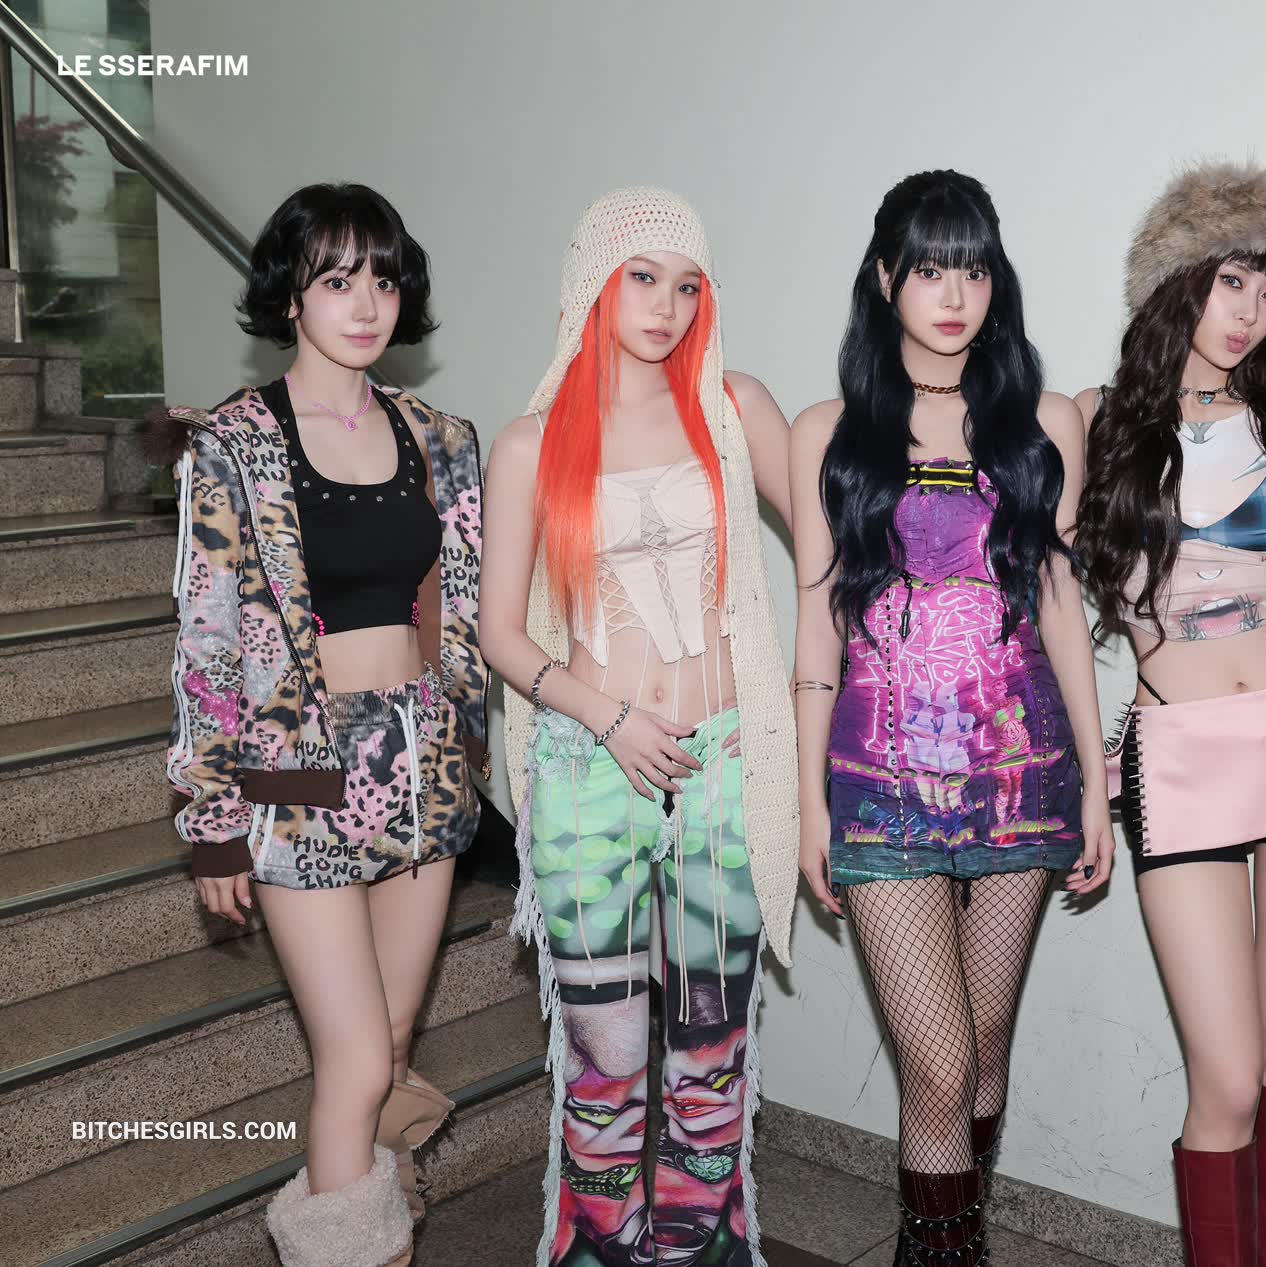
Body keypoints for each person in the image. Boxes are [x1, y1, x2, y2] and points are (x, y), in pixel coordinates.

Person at [153, 182, 486, 1267]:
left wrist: (479, 743)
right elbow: (208, 641)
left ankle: (372, 1211)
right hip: (296, 778)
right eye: (337, 279)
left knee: (389, 1040)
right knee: (354, 1059)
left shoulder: (440, 438)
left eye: (383, 279)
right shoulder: (233, 443)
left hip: (422, 765)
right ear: (290, 293)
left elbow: (463, 617)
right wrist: (212, 818)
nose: (366, 302)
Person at [1073, 159, 1266, 1266]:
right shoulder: (1093, 423)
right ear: (1177, 279)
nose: (1250, 312)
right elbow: (1049, 605)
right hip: (1181, 760)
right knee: (1224, 1080)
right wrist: (1082, 769)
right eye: (1231, 283)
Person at [789, 169, 1111, 1266]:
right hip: (878, 783)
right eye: (929, 268)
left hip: (1020, 773)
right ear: (885, 279)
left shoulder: (1043, 424)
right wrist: (810, 805)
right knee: (935, 1066)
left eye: (972, 269)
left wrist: (1098, 783)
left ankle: (940, 1230)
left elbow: (1061, 610)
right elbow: (817, 626)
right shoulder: (830, 431)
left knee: (981, 1049)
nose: (954, 293)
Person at [480, 188, 798, 1267]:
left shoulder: (733, 409)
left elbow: (836, 539)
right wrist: (608, 717)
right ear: (594, 285)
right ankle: (601, 1246)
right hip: (587, 763)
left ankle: (704, 1245)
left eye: (688, 284)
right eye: (643, 279)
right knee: (604, 1050)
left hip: (721, 767)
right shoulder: (531, 443)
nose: (666, 306)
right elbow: (500, 634)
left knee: (712, 1046)